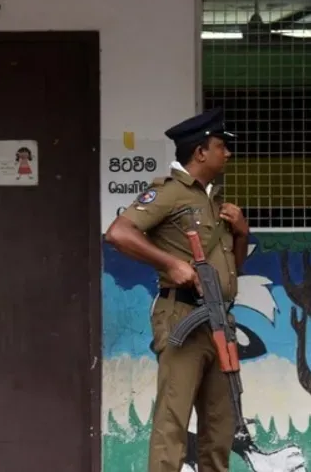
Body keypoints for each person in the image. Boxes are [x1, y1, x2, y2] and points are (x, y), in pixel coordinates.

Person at [105, 108, 250, 472]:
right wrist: (170, 264)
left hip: (219, 320)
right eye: (221, 146)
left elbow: (231, 275)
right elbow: (119, 233)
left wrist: (242, 234)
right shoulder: (169, 193)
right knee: (173, 421)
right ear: (200, 151)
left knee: (220, 427)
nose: (227, 153)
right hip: (182, 316)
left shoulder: (213, 202)